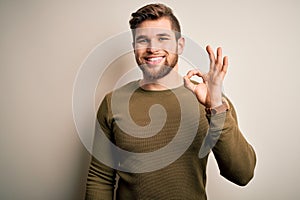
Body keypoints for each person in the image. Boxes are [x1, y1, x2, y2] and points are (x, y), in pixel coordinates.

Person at [85, 3, 256, 200]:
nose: (152, 48)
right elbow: (100, 179)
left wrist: (215, 106)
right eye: (143, 40)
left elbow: (243, 174)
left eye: (162, 39)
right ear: (134, 48)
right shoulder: (112, 102)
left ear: (180, 45)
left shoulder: (211, 100)